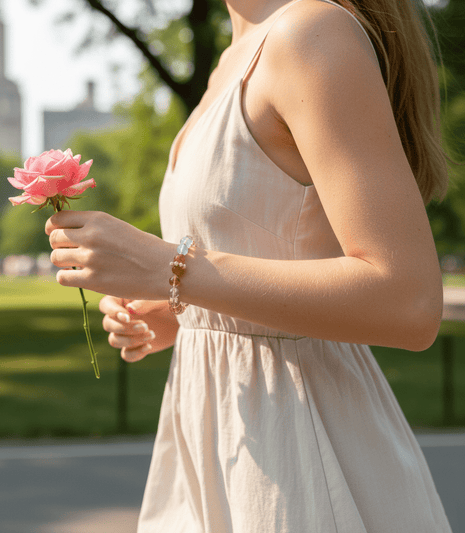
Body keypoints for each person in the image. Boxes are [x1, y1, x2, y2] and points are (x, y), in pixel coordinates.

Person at [45, 0, 453, 530]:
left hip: (299, 455)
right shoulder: (231, 60)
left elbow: (409, 301)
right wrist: (184, 308)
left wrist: (169, 269)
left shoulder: (310, 33)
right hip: (214, 449)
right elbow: (280, 248)